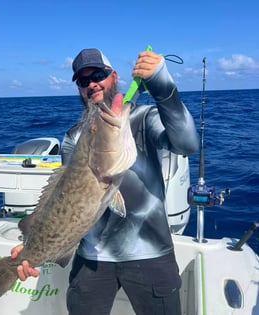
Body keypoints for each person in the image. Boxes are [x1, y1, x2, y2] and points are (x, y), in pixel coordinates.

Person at [11, 48, 199, 315]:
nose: (92, 84)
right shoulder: (73, 137)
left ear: (114, 76)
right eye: (83, 81)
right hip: (91, 259)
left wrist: (163, 86)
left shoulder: (144, 118)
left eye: (99, 75)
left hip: (151, 254)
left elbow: (188, 143)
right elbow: (67, 203)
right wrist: (34, 248)